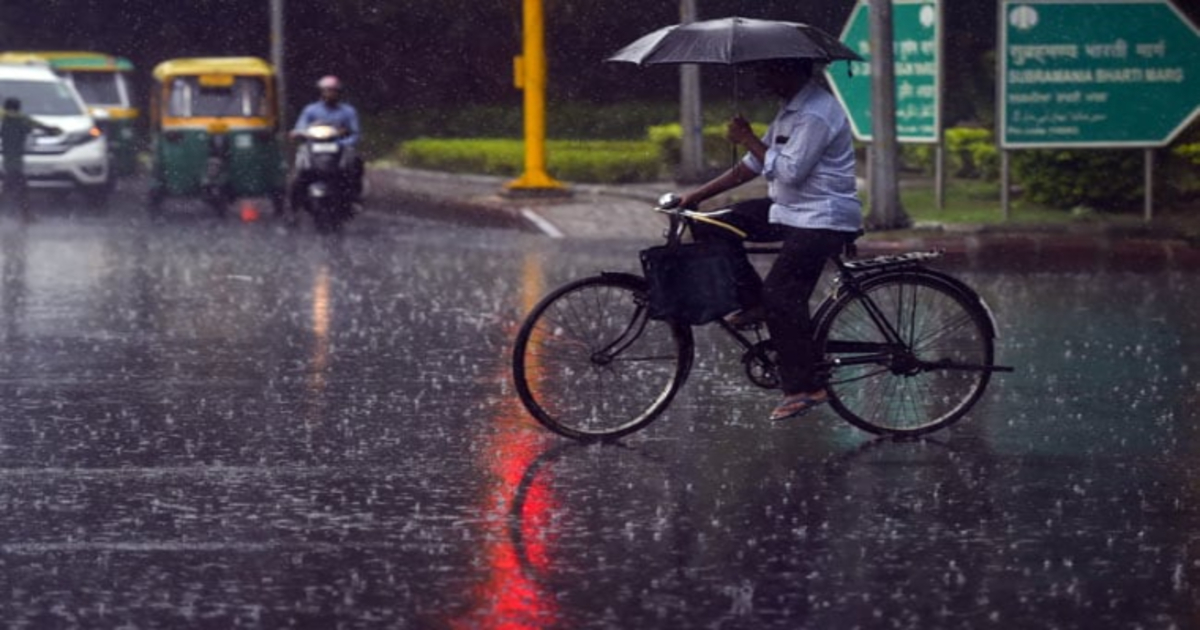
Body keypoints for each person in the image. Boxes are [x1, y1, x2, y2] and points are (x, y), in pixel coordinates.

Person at [678, 58, 863, 422]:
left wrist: (747, 136)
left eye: (768, 71)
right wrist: (696, 197)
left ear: (791, 71)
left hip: (821, 217)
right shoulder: (791, 110)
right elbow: (753, 165)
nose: (761, 79)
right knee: (712, 224)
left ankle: (806, 386)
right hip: (790, 210)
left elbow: (790, 171)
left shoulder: (817, 113)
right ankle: (752, 302)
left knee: (782, 294)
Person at [289, 75, 363, 211]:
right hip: (314, 149)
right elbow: (300, 127)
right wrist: (299, 133)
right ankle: (294, 209)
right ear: (321, 92)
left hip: (339, 150)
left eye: (333, 91)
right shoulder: (311, 110)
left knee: (355, 164)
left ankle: (355, 199)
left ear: (339, 92)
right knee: (298, 174)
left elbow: (355, 134)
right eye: (327, 90)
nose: (330, 94)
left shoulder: (348, 111)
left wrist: (343, 143)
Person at [1, 98, 60, 221]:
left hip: (9, 160)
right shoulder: (23, 120)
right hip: (16, 162)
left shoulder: (4, 120)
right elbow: (41, 127)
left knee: (13, 188)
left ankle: (26, 215)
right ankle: (26, 215)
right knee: (18, 189)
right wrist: (53, 130)